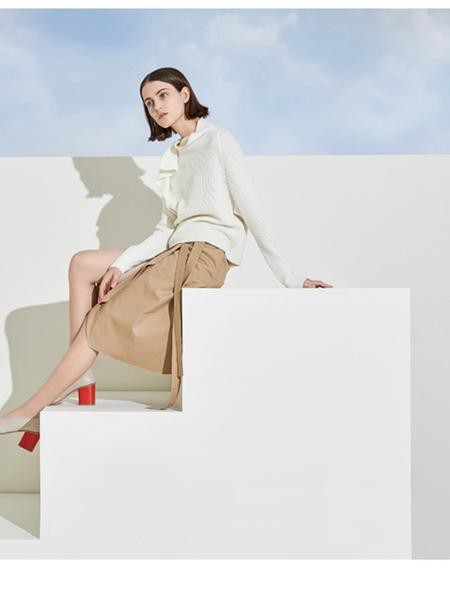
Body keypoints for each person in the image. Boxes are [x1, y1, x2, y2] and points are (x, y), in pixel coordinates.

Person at [0, 66, 333, 446]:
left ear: (184, 94)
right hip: (177, 247)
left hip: (202, 254)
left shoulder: (218, 140)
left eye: (163, 95)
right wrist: (121, 265)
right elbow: (166, 230)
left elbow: (252, 209)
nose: (156, 106)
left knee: (101, 318)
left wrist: (291, 277)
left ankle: (31, 411)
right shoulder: (174, 156)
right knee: (83, 265)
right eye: (148, 102)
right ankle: (80, 376)